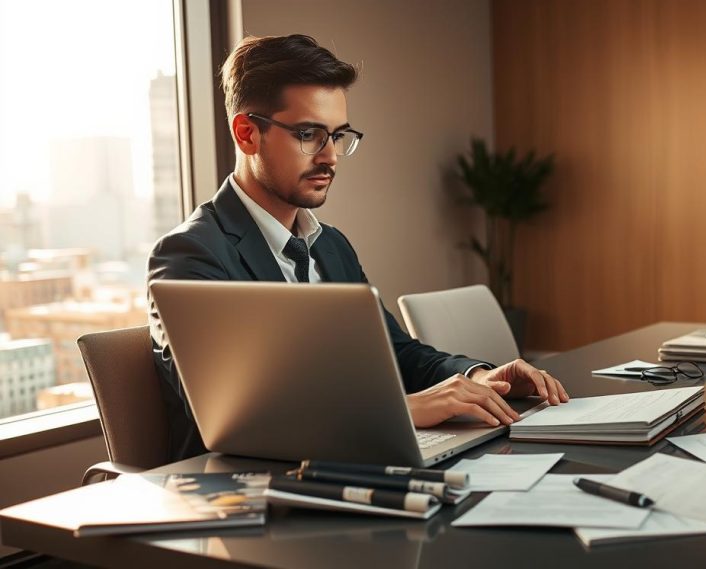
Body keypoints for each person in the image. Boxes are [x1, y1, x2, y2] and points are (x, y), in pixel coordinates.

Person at [148, 34, 568, 462]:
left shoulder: (331, 245)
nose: (330, 156)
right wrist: (402, 410)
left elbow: (397, 353)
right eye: (309, 134)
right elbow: (235, 417)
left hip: (347, 462)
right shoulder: (190, 255)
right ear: (247, 134)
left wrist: (478, 377)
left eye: (338, 136)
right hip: (245, 484)